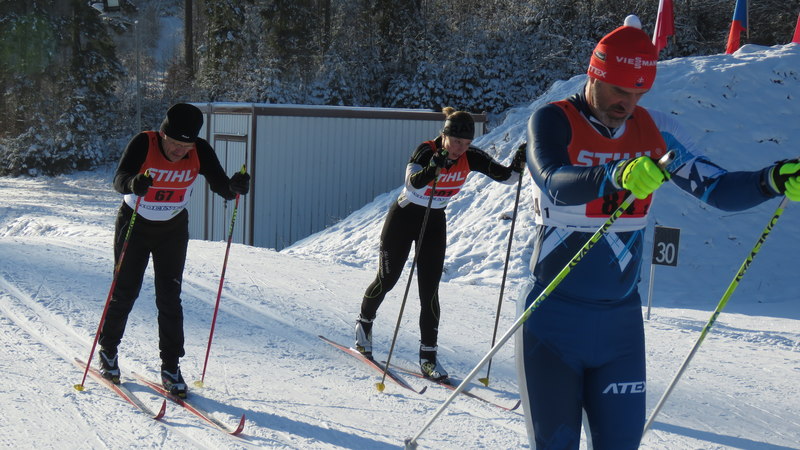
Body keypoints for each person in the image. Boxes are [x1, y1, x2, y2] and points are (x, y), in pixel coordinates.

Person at [516, 15, 800, 449]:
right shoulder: (554, 120)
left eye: (639, 93)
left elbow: (717, 189)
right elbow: (553, 179)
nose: (627, 103)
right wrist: (617, 174)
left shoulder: (659, 132)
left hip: (620, 326)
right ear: (595, 74)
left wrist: (771, 180)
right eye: (618, 90)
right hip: (553, 319)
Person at [354, 107, 526, 381]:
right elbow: (412, 184)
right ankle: (364, 325)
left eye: (466, 143)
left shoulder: (470, 156)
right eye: (456, 142)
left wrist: (519, 161)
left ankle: (428, 358)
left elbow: (509, 178)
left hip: (434, 220)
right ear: (444, 136)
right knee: (387, 279)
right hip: (403, 218)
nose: (460, 149)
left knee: (430, 291)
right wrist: (433, 168)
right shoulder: (426, 151)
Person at [98, 103, 251, 397]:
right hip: (135, 223)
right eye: (175, 144)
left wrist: (236, 187)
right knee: (125, 291)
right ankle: (108, 351)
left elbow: (221, 186)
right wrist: (133, 183)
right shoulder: (144, 143)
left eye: (187, 146)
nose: (180, 151)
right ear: (163, 135)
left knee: (170, 298)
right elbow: (119, 180)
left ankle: (171, 366)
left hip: (172, 228)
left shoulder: (200, 150)